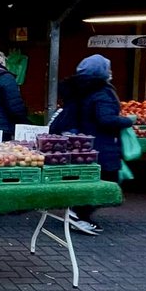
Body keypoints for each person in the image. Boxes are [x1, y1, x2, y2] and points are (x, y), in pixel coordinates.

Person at [50, 54, 134, 235]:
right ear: (100, 72)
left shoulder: (81, 89)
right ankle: (79, 214)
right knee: (105, 181)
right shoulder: (100, 92)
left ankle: (78, 211)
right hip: (100, 144)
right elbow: (105, 119)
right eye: (108, 68)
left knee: (91, 180)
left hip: (85, 144)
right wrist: (128, 121)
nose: (111, 72)